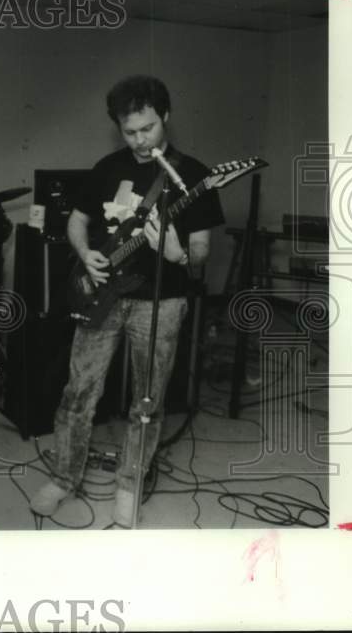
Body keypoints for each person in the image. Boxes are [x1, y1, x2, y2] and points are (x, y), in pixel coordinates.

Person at [30, 75, 224, 527]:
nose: (139, 140)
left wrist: (174, 252)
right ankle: (64, 478)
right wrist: (85, 255)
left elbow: (199, 257)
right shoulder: (106, 167)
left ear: (166, 117)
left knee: (147, 398)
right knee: (78, 391)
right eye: (129, 131)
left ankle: (129, 483)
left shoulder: (194, 176)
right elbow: (77, 223)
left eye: (148, 128)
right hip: (102, 294)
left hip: (162, 302)